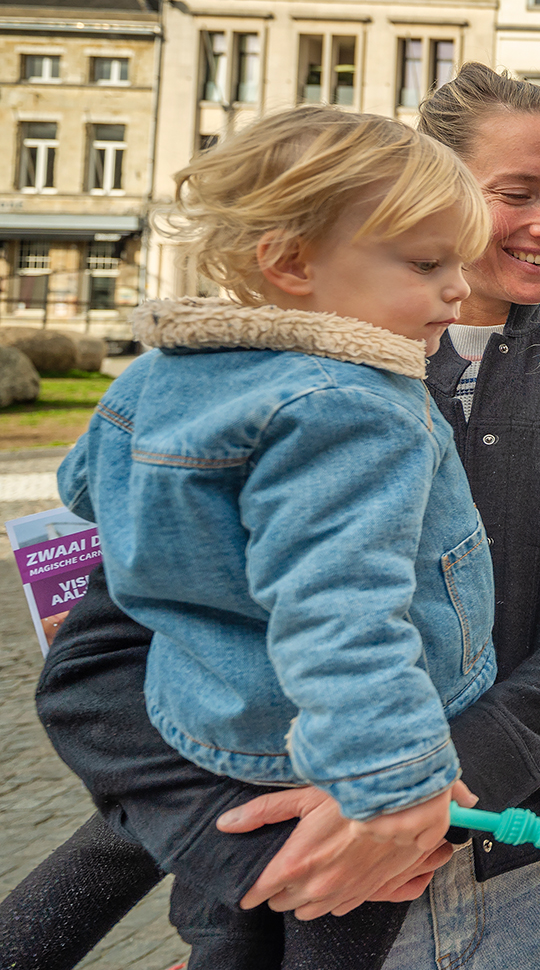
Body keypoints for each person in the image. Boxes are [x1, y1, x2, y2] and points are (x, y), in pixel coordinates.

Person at [24, 66, 540, 970]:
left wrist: (415, 793)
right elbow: (119, 644)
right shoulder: (281, 385)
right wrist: (237, 840)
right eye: (517, 194)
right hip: (305, 879)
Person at [53, 107, 497, 966]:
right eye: (426, 263)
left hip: (199, 713)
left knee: (222, 929)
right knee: (339, 920)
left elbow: (83, 486)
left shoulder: (167, 368)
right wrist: (398, 779)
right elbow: (339, 604)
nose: (456, 290)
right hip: (325, 750)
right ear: (291, 261)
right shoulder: (357, 408)